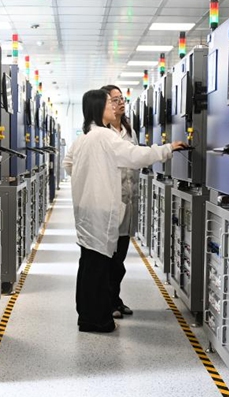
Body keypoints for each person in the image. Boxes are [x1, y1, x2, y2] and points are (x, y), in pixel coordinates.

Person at [63, 89, 186, 333]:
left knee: (89, 266)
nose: (115, 106)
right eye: (110, 102)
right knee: (97, 269)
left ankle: (87, 316)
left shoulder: (84, 138)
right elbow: (135, 155)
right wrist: (168, 148)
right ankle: (97, 321)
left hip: (87, 211)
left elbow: (71, 166)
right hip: (100, 211)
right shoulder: (104, 137)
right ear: (98, 108)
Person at [100, 84, 138, 320]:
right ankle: (108, 300)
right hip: (111, 204)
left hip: (129, 201)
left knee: (120, 257)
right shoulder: (102, 133)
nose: (120, 102)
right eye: (115, 100)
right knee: (111, 259)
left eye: (122, 98)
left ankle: (115, 297)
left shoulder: (128, 130)